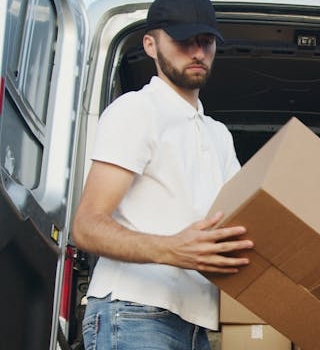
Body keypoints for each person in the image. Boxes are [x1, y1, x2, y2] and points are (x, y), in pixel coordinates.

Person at [71, 0, 254, 348]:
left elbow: (239, 222)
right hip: (133, 311)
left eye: (207, 40)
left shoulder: (218, 134)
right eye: (184, 41)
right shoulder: (137, 110)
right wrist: (171, 250)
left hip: (197, 324)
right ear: (151, 45)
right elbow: (86, 225)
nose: (198, 52)